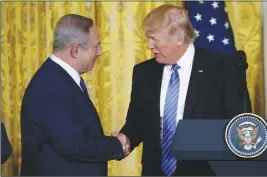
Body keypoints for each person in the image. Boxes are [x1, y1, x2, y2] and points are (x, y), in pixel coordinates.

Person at [113, 5, 248, 176]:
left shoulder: (221, 69)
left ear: (178, 38)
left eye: (155, 39)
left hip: (205, 172)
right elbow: (137, 122)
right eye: (148, 39)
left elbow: (237, 126)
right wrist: (125, 140)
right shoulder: (144, 72)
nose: (149, 46)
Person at [20, 14, 130, 176]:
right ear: (76, 50)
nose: (99, 53)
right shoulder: (52, 85)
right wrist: (116, 145)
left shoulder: (57, 77)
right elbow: (72, 144)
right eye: (95, 46)